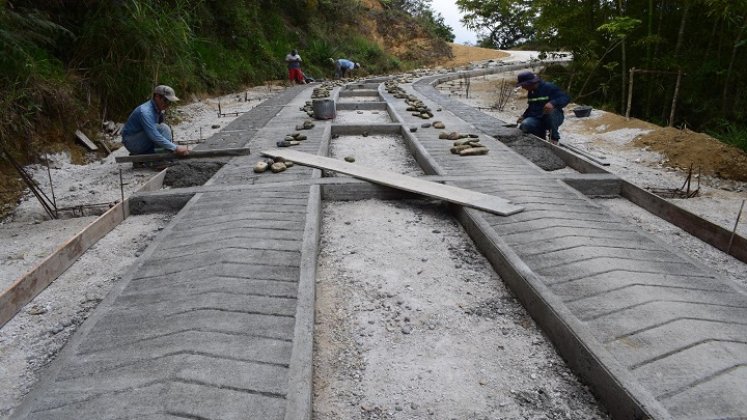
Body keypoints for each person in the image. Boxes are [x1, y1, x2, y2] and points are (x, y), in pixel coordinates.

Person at [121, 85, 189, 156]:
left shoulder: (157, 110)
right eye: (165, 100)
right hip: (132, 142)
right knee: (162, 128)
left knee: (164, 128)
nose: (167, 105)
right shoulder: (145, 112)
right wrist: (176, 148)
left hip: (140, 140)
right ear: (157, 97)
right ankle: (159, 158)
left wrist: (171, 147)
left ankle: (160, 154)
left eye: (169, 102)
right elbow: (154, 135)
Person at [516, 71, 570, 145]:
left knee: (550, 112)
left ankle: (554, 138)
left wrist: (553, 103)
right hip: (538, 118)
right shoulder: (531, 92)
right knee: (525, 125)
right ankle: (541, 139)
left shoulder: (549, 87)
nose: (522, 87)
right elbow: (531, 107)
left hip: (554, 117)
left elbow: (565, 98)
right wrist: (524, 116)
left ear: (529, 83)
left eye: (523, 85)